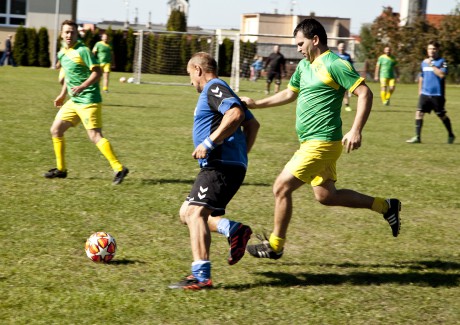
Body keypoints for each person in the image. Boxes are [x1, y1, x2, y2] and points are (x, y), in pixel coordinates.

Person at [241, 18, 401, 261]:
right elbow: (289, 93)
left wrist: (356, 129)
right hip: (310, 142)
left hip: (322, 142)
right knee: (327, 196)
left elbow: (364, 92)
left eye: (300, 43)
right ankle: (386, 206)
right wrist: (257, 104)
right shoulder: (305, 66)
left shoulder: (334, 63)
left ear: (315, 40)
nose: (297, 48)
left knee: (281, 187)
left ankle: (275, 245)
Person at [169, 52, 260, 290]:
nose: (191, 82)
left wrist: (209, 143)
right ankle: (235, 230)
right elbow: (252, 124)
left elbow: (237, 115)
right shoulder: (222, 90)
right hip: (226, 164)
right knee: (185, 213)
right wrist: (241, 154)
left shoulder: (214, 87)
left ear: (198, 70)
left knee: (195, 214)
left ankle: (201, 276)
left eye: (191, 75)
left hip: (220, 163)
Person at [44, 20, 129, 185]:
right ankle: (61, 170)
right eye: (66, 32)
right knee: (56, 130)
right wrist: (62, 95)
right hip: (73, 100)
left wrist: (82, 86)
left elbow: (97, 72)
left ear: (77, 34)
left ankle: (119, 168)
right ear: (61, 34)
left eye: (72, 32)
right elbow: (68, 76)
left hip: (89, 100)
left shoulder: (83, 51)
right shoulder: (62, 52)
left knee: (95, 136)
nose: (69, 35)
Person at [406, 41, 455, 144]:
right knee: (419, 113)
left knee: (441, 115)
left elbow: (442, 75)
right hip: (425, 93)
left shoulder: (442, 62)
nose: (431, 51)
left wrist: (432, 65)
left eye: (433, 49)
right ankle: (417, 136)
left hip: (437, 95)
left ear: (437, 50)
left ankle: (451, 134)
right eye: (429, 49)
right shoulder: (423, 62)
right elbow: (421, 77)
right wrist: (420, 91)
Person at [336, 41, 354, 111]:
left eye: (343, 46)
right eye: (341, 46)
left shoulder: (348, 56)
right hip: (336, 76)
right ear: (338, 47)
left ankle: (347, 106)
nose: (342, 48)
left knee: (344, 92)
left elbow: (351, 65)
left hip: (345, 76)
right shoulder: (335, 55)